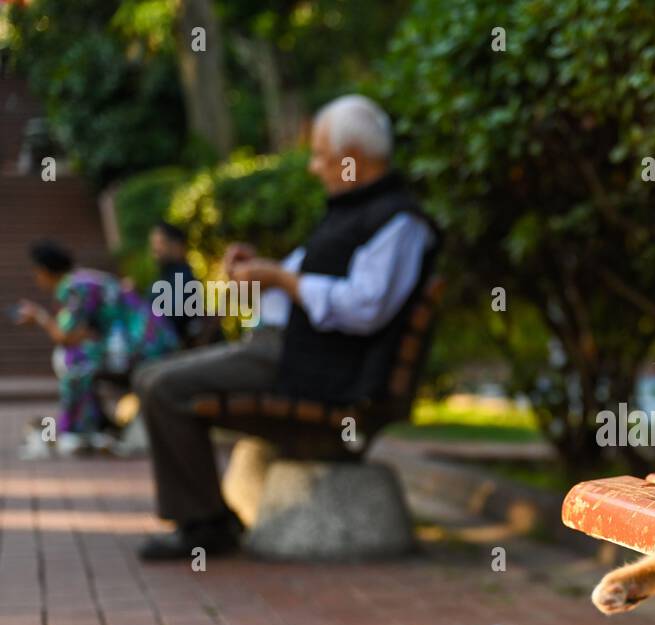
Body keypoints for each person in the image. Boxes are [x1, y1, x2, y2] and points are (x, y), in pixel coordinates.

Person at [132, 94, 439, 561]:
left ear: (352, 158)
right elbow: (302, 284)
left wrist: (279, 278)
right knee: (154, 379)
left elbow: (364, 307)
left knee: (160, 386)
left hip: (315, 369)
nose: (314, 167)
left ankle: (204, 523)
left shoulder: (398, 222)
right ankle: (206, 518)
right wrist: (257, 272)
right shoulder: (351, 211)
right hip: (286, 350)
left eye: (320, 155)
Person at [17, 241, 179, 448]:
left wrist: (39, 317)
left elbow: (65, 336)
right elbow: (79, 332)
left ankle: (77, 430)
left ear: (45, 271)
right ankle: (91, 425)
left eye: (36, 272)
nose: (36, 279)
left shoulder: (73, 286)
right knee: (78, 354)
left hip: (146, 346)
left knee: (75, 359)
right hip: (152, 341)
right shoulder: (84, 279)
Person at [149, 221, 217, 348]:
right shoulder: (162, 279)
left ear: (177, 246)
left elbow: (169, 318)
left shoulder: (184, 278)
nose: (155, 250)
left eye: (160, 243)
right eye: (154, 244)